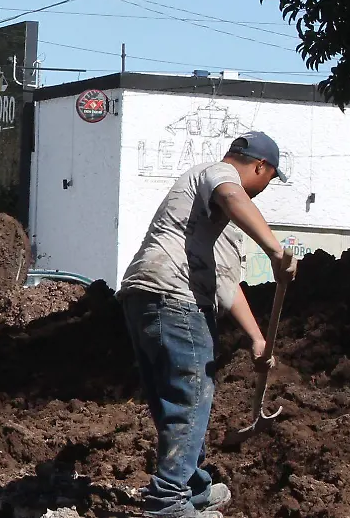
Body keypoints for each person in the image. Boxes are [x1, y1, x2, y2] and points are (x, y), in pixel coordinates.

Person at [119, 132, 299, 518]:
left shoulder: (210, 218)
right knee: (191, 399)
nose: (264, 188)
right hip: (177, 299)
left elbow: (225, 282)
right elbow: (234, 196)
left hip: (144, 297)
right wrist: (276, 249)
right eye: (268, 179)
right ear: (259, 167)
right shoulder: (218, 175)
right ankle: (168, 503)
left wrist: (257, 340)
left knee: (174, 400)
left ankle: (193, 486)